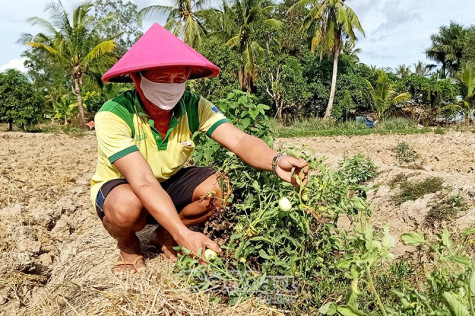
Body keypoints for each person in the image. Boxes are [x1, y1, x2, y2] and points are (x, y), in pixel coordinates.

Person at [90, 23, 309, 277]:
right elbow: (143, 182)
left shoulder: (193, 106)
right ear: (138, 79)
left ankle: (164, 233)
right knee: (126, 207)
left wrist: (275, 159)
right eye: (161, 79)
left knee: (221, 188)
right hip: (125, 185)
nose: (171, 86)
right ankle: (128, 246)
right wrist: (185, 236)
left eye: (178, 79)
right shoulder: (114, 113)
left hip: (166, 183)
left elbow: (239, 141)